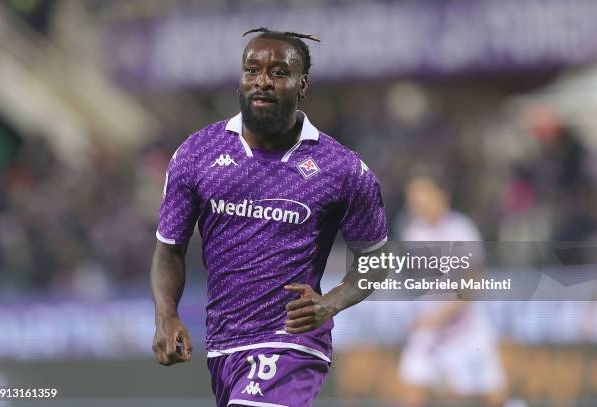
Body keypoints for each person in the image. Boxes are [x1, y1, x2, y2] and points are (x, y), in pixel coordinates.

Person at [150, 28, 388, 407]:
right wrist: (167, 315)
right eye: (251, 70)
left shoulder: (341, 169)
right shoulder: (197, 153)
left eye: (278, 72)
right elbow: (169, 250)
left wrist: (333, 301)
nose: (262, 81)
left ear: (302, 85)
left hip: (292, 342)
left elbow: (376, 260)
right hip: (224, 346)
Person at [397, 174, 508, 407]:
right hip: (430, 325)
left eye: (423, 194)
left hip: (464, 323)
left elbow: (470, 287)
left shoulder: (462, 230)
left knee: (493, 394)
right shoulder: (412, 233)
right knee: (411, 389)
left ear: (442, 197)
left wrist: (438, 316)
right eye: (413, 197)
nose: (418, 202)